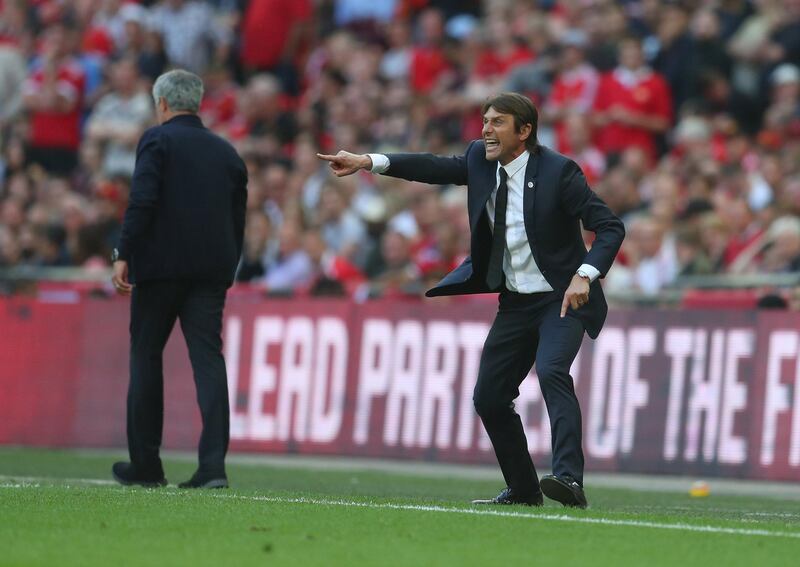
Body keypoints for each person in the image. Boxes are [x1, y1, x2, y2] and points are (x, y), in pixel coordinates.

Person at [318, 92, 624, 508]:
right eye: (484, 121)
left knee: (552, 370)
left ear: (525, 130)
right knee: (490, 396)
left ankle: (569, 479)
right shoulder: (480, 158)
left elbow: (608, 226)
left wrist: (584, 275)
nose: (486, 129)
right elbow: (433, 167)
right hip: (516, 302)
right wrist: (368, 161)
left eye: (498, 122)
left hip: (561, 298)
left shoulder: (558, 171)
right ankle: (523, 488)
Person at [110, 69, 248, 489]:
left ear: (163, 104)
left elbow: (143, 199)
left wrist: (123, 252)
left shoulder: (158, 139)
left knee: (146, 355)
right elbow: (237, 219)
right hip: (210, 271)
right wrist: (227, 269)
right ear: (198, 103)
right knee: (208, 360)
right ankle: (212, 468)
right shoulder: (227, 152)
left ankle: (147, 466)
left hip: (161, 269)